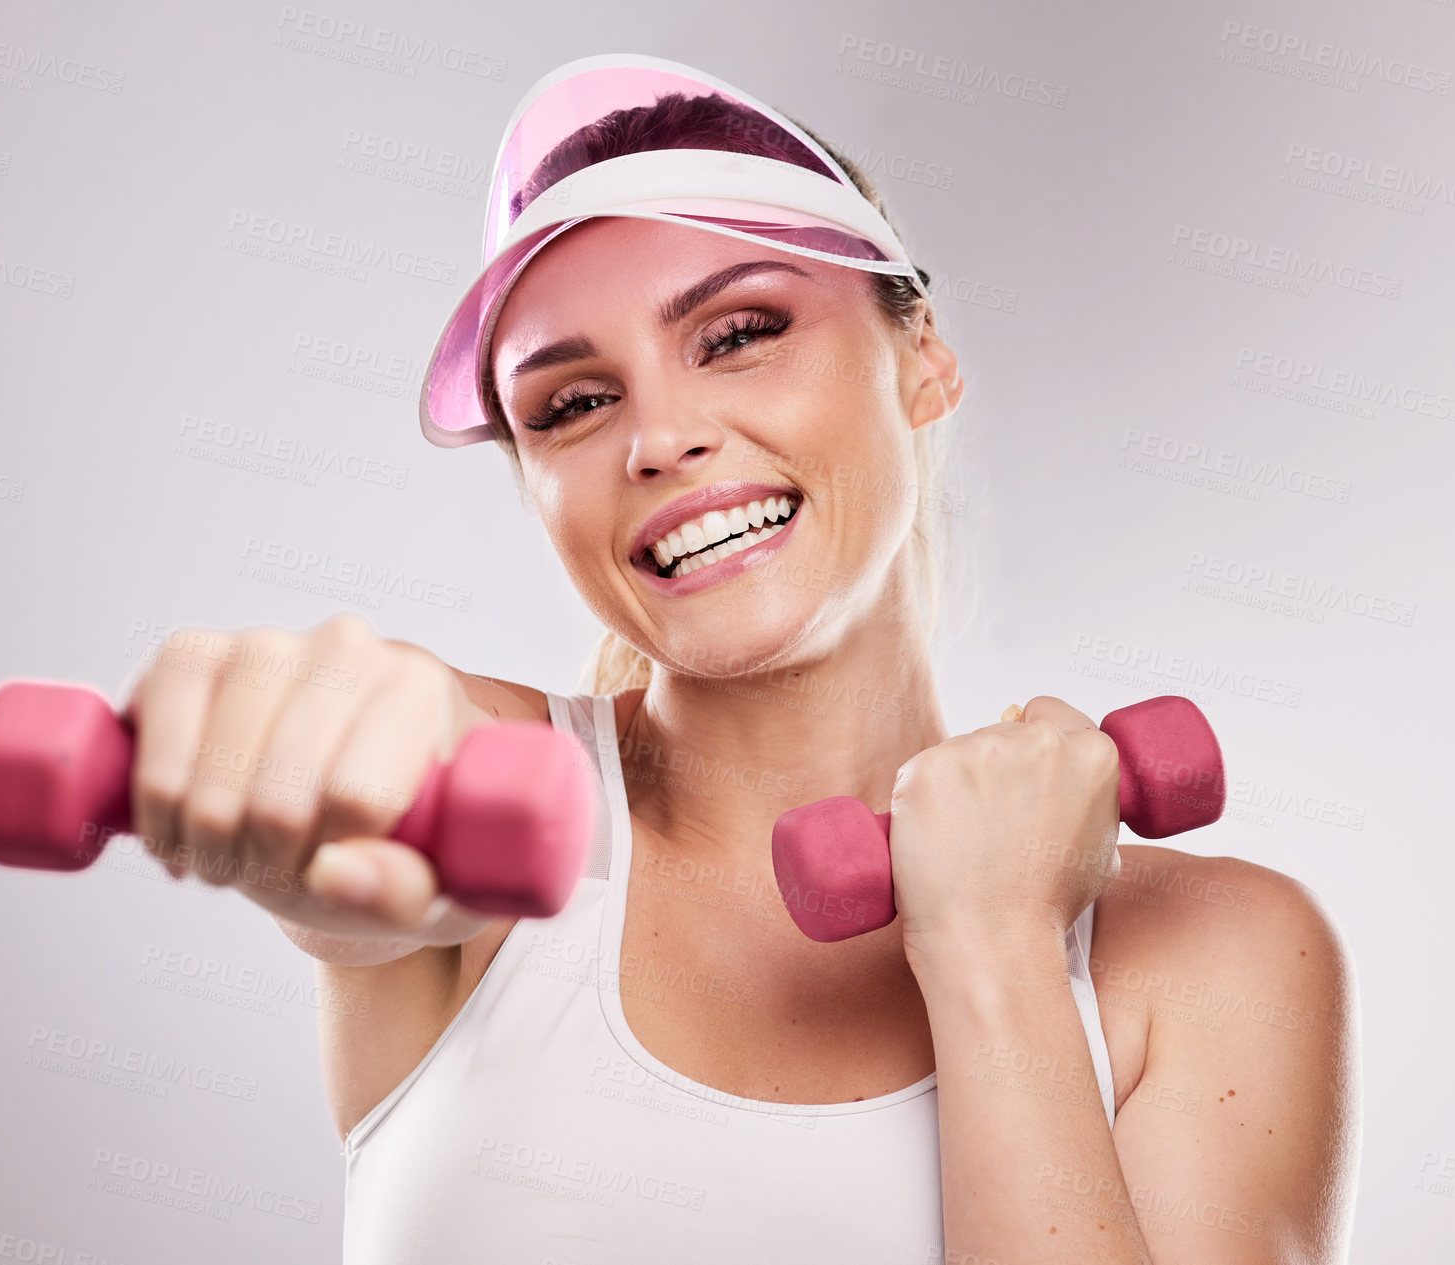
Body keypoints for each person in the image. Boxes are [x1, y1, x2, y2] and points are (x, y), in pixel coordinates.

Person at [123, 54, 1360, 1264]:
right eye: (571, 404)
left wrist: (995, 940)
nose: (658, 436)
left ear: (919, 356)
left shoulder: (1215, 955)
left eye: (738, 332)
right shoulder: (499, 806)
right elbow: (383, 772)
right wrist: (293, 739)